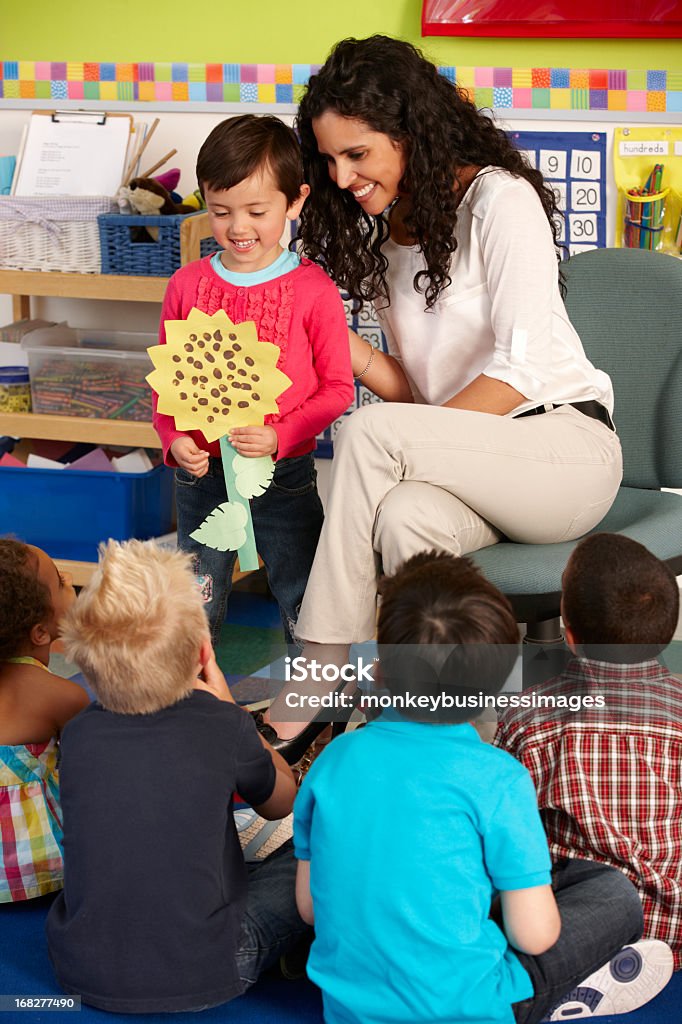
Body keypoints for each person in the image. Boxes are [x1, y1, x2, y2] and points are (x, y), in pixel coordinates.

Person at [264, 34, 623, 750]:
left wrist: (409, 439)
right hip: (476, 468)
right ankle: (454, 740)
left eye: (357, 154)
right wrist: (350, 351)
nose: (340, 177)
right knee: (401, 520)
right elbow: (419, 393)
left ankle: (320, 670)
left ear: (409, 130)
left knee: (371, 433)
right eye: (329, 160)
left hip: (562, 450)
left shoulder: (499, 198)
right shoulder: (390, 234)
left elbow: (519, 372)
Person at [293, 551, 672, 1024]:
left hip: (349, 1009)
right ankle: (556, 1000)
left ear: (380, 669)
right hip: (475, 1006)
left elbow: (309, 910)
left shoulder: (333, 761)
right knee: (615, 895)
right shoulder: (497, 778)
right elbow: (535, 937)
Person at [46, 539, 310, 1013]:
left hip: (78, 965)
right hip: (210, 963)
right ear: (202, 654)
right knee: (313, 848)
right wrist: (229, 705)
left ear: (81, 659)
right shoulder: (222, 724)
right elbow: (283, 801)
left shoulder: (78, 734)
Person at [152, 114, 354, 645]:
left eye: (257, 211)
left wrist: (281, 435)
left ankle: (318, 714)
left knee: (303, 595)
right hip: (202, 477)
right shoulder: (186, 284)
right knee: (194, 602)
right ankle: (193, 706)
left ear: (295, 201)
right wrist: (173, 441)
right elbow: (166, 385)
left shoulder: (313, 290)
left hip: (283, 475)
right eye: (221, 212)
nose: (239, 228)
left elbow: (338, 389)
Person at [495, 532, 681, 974]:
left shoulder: (528, 717)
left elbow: (505, 829)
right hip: (671, 931)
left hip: (565, 926)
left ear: (570, 637)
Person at [0, 539, 88, 903]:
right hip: (37, 870)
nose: (69, 579)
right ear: (41, 632)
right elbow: (95, 777)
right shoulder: (64, 697)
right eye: (60, 581)